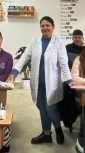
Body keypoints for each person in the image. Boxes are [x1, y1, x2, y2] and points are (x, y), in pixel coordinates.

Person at [6, 16, 72, 145]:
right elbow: (25, 56)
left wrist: (69, 79)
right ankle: (46, 134)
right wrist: (14, 71)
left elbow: (64, 63)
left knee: (51, 108)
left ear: (53, 27)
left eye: (48, 25)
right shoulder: (35, 40)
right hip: (38, 83)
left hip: (52, 84)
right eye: (42, 26)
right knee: (41, 107)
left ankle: (58, 129)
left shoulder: (58, 42)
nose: (45, 28)